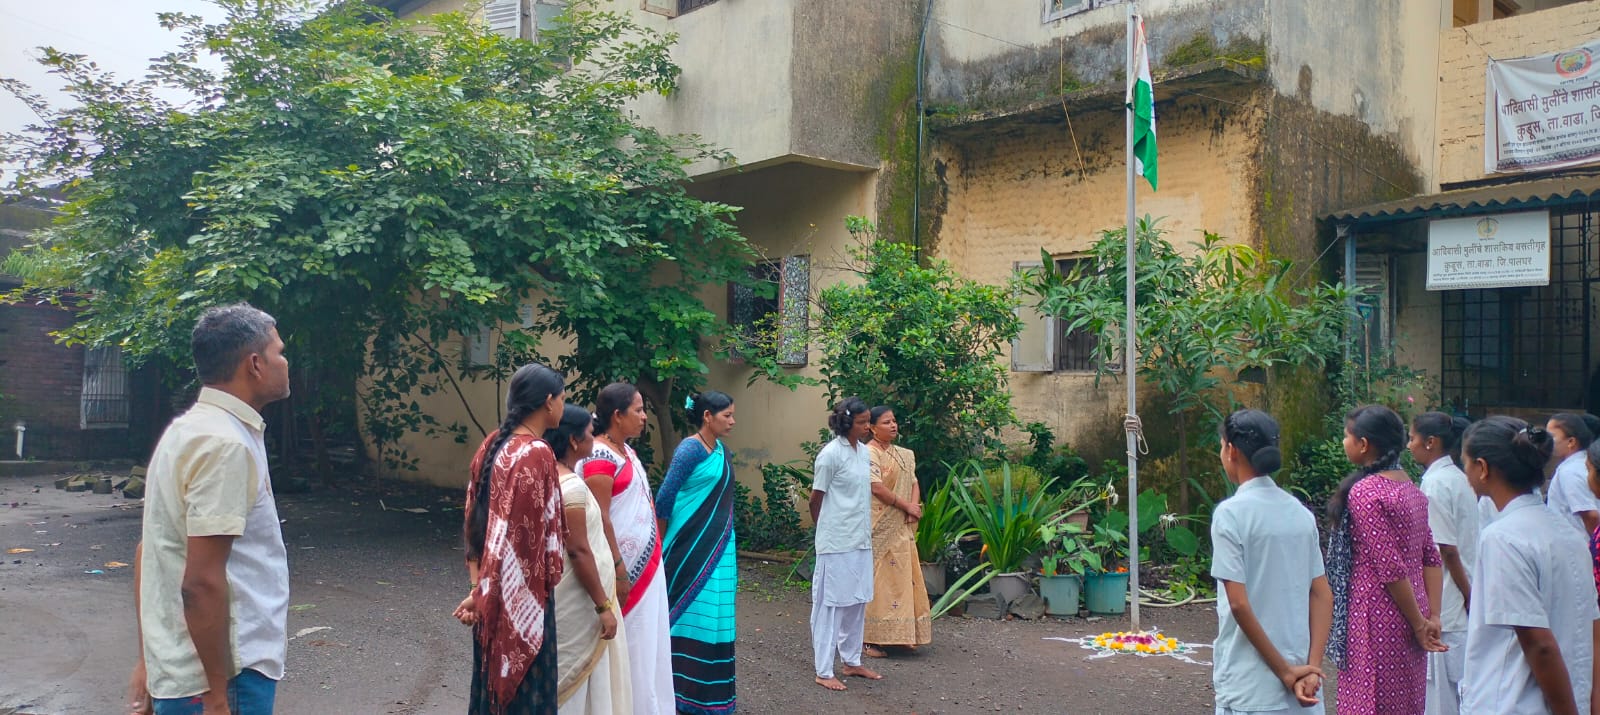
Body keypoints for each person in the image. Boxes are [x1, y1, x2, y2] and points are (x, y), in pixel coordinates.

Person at [130, 304, 292, 715]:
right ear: (255, 364)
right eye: (279, 352)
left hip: (185, 671)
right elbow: (200, 582)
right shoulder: (225, 443)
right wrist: (218, 697)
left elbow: (150, 550)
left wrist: (150, 658)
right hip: (224, 678)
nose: (285, 362)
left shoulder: (187, 430)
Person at [1460, 416, 1599, 714]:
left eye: (1466, 463)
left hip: (1514, 703)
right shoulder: (1568, 533)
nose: (1465, 473)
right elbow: (1593, 627)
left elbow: (1539, 644)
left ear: (1483, 468)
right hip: (1570, 695)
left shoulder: (1502, 538)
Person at [456, 363, 569, 715]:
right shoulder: (536, 453)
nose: (564, 407)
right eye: (563, 398)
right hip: (523, 603)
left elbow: (475, 523)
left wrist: (479, 590)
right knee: (526, 700)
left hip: (492, 599)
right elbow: (523, 544)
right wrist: (488, 593)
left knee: (490, 695)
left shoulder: (494, 443)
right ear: (548, 402)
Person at [1325, 404, 1446, 715]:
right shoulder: (1410, 487)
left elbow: (1390, 569)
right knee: (1405, 698)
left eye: (1346, 436)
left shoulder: (1366, 493)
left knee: (1370, 699)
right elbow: (1430, 556)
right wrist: (1432, 616)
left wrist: (1421, 625)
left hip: (1376, 613)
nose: (1343, 442)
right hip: (1413, 606)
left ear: (1363, 444)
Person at [1211, 409, 1331, 715]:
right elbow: (1321, 593)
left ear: (1231, 450)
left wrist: (1285, 673)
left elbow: (1238, 604)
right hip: (1303, 689)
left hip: (1251, 687)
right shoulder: (1300, 514)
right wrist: (1312, 668)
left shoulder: (1231, 515)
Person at [579, 383, 675, 715]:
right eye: (638, 410)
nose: (644, 417)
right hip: (624, 571)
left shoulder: (626, 451)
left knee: (650, 645)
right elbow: (600, 516)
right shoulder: (600, 456)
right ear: (617, 416)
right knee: (632, 647)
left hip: (648, 567)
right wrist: (619, 568)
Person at [545, 404, 631, 715]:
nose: (593, 438)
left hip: (564, 595)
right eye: (589, 433)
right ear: (573, 440)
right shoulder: (573, 490)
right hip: (580, 600)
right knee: (576, 676)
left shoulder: (548, 476)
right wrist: (603, 607)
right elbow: (579, 550)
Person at [656, 391, 738, 714]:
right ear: (707, 416)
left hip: (719, 550)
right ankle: (677, 696)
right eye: (726, 415)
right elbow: (664, 499)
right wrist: (660, 549)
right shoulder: (690, 450)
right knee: (688, 619)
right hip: (687, 550)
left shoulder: (722, 452)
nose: (732, 421)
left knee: (716, 618)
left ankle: (711, 698)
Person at [809, 397, 883, 692]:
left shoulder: (863, 453)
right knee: (831, 605)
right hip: (835, 540)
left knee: (857, 599)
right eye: (863, 422)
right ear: (847, 422)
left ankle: (851, 661)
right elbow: (816, 498)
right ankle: (823, 669)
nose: (868, 427)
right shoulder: (829, 455)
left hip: (859, 537)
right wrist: (825, 529)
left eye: (868, 421)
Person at [1410, 411, 1476, 715]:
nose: (1409, 445)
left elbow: (1445, 549)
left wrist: (1467, 593)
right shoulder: (1458, 477)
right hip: (1460, 596)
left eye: (1412, 439)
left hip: (1451, 601)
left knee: (1443, 697)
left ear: (1430, 442)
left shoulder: (1436, 484)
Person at [861, 406, 930, 658]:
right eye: (887, 422)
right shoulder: (868, 453)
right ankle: (870, 639)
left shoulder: (904, 455)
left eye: (894, 421)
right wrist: (905, 506)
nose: (893, 425)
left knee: (903, 580)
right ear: (871, 427)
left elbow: (913, 482)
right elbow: (876, 488)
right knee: (879, 582)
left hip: (902, 525)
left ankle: (902, 636)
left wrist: (914, 508)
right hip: (879, 523)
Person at [1546, 413, 1600, 537]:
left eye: (1551, 437)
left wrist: (1595, 545)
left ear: (1571, 441)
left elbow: (1590, 515)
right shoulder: (1582, 463)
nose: (1547, 442)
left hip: (1580, 546)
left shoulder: (1570, 471)